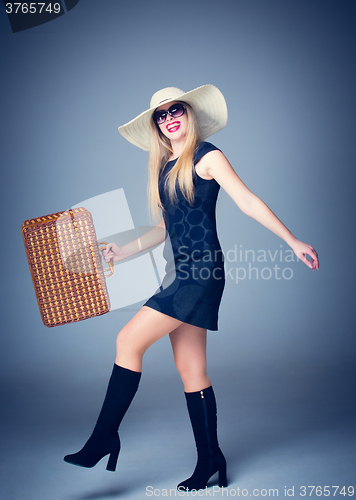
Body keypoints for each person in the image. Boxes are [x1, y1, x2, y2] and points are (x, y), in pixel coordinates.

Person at [63, 85, 319, 491]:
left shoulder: (208, 156)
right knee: (191, 370)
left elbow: (247, 201)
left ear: (190, 113)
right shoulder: (166, 166)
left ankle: (103, 438)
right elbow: (165, 229)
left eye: (175, 110)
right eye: (160, 116)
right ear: (157, 127)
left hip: (201, 273)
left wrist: (292, 241)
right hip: (179, 270)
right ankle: (210, 460)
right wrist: (120, 251)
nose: (169, 119)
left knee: (128, 340)